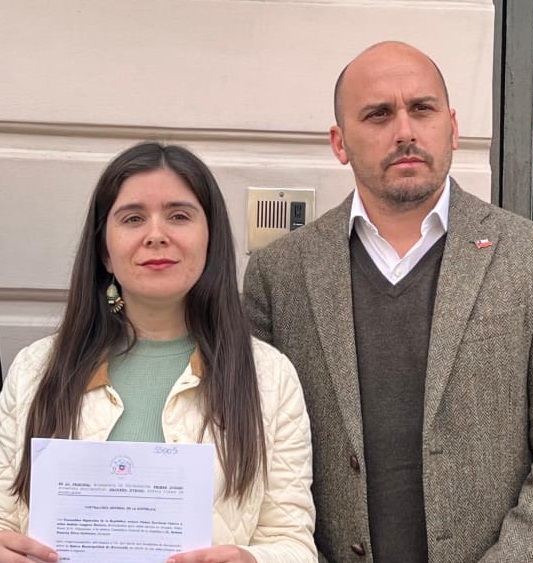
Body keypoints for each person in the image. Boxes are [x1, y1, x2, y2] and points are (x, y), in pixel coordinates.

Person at [242, 41, 533, 562]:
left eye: (422, 108)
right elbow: (258, 456)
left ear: (452, 127)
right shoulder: (280, 275)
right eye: (378, 114)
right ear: (340, 142)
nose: (405, 131)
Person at [0, 142, 317, 563]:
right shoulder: (35, 369)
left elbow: (293, 542)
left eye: (179, 216)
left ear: (211, 239)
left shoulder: (269, 377)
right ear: (104, 251)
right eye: (133, 218)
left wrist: (251, 560)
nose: (156, 235)